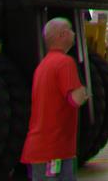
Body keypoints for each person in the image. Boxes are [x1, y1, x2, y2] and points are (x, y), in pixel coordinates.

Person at [20, 16, 90, 180]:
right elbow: (75, 99)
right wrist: (83, 91)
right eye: (71, 30)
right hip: (56, 150)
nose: (74, 33)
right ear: (62, 34)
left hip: (40, 149)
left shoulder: (43, 65)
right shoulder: (65, 63)